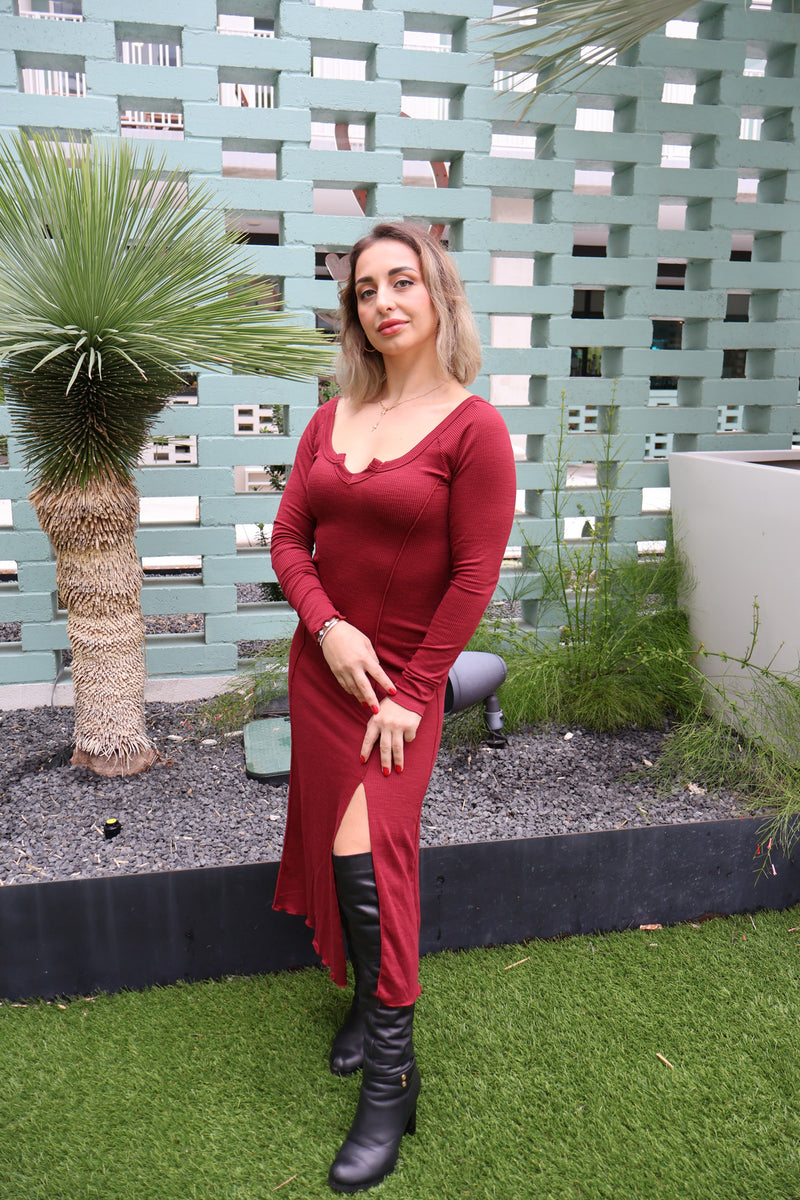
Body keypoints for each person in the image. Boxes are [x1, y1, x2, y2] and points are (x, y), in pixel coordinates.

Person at [270, 221, 517, 1192]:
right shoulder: (329, 419)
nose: (383, 302)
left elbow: (472, 575)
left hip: (397, 699)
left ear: (437, 294)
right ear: (354, 314)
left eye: (400, 281)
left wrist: (413, 696)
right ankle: (368, 1007)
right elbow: (289, 540)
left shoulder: (472, 428)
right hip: (321, 674)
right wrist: (327, 627)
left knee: (370, 861)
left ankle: (390, 1081)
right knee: (335, 853)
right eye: (365, 290)